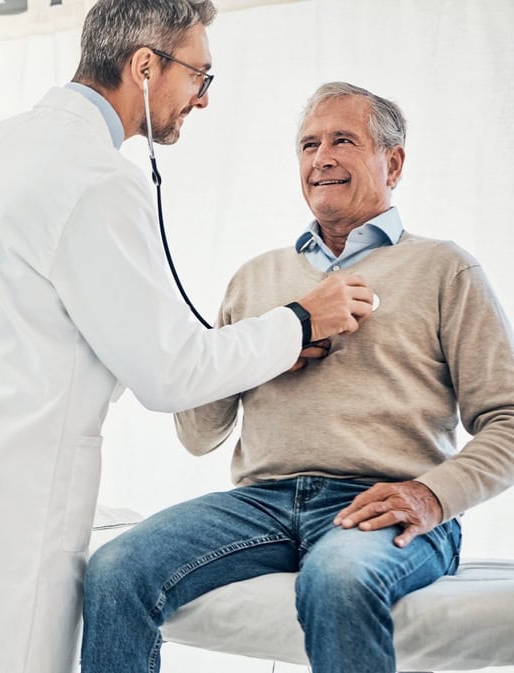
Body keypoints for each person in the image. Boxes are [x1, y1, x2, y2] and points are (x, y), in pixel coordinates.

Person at [0, 4, 376, 673]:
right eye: (199, 76)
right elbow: (170, 371)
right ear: (146, 66)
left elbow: (45, 329)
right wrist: (301, 320)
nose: (203, 100)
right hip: (5, 517)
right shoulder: (95, 181)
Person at [81, 81, 514, 673]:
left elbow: (508, 421)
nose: (321, 158)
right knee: (113, 569)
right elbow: (198, 433)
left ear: (394, 161)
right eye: (309, 145)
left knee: (338, 579)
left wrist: (431, 497)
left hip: (378, 501)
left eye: (343, 140)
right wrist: (266, 344)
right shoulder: (256, 279)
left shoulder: (445, 268)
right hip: (260, 502)